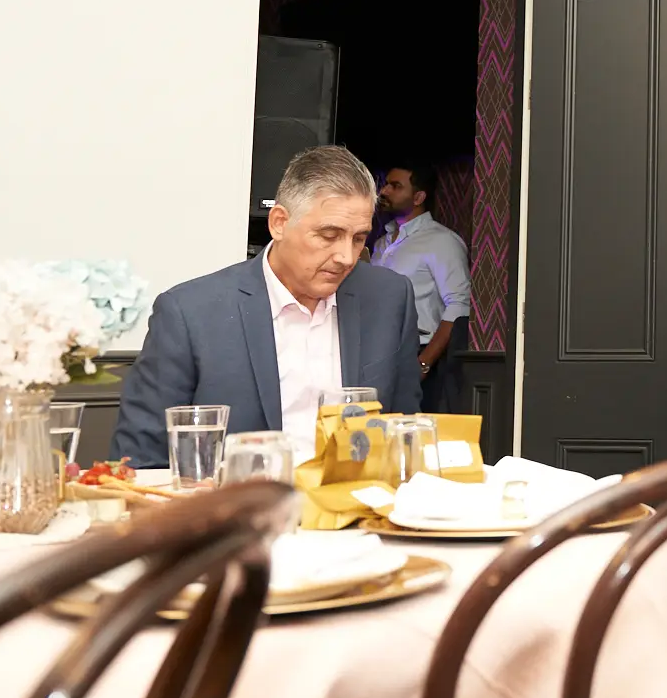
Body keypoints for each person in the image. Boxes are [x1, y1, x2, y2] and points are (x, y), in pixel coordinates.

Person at [113, 146, 420, 468]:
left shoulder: (389, 298)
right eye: (329, 235)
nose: (346, 256)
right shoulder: (191, 314)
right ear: (279, 223)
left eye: (358, 239)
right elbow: (140, 461)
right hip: (238, 499)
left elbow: (406, 436)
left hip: (358, 497)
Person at [371, 161, 471, 413]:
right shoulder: (381, 243)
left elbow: (459, 305)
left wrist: (424, 364)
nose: (384, 191)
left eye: (395, 186)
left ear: (418, 197)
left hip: (421, 355)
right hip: (380, 357)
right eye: (386, 184)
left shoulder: (442, 241)